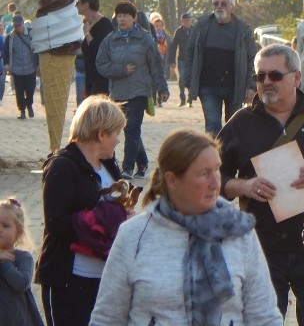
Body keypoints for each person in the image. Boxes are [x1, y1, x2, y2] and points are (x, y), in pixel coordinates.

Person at [89, 129, 283, 326]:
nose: (215, 183)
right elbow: (107, 318)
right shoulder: (134, 235)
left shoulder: (240, 232)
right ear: (172, 180)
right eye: (203, 174)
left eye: (216, 169)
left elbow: (264, 316)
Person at [219, 44, 304, 324]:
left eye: (275, 76)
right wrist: (242, 186)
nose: (266, 82)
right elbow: (211, 179)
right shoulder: (240, 123)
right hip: (262, 247)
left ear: (297, 78)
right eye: (260, 76)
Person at [35, 96, 126, 326]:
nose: (118, 140)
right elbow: (56, 223)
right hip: (69, 278)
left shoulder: (108, 164)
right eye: (115, 133)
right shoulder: (61, 166)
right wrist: (103, 221)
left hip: (104, 277)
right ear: (100, 134)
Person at [96, 1, 169, 179]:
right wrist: (120, 70)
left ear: (134, 17)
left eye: (126, 16)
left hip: (139, 91)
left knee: (132, 128)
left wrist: (162, 88)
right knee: (125, 128)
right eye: (119, 16)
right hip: (117, 92)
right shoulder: (110, 39)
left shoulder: (145, 38)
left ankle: (127, 167)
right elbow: (101, 64)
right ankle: (143, 162)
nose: (122, 19)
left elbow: (156, 65)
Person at [185, 0, 256, 135]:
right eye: (215, 3)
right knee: (212, 125)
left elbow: (252, 59)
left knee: (234, 126)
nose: (219, 6)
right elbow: (190, 53)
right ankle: (213, 157)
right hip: (208, 87)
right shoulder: (202, 26)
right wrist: (188, 80)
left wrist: (251, 85)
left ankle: (230, 157)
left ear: (231, 7)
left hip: (235, 87)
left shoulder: (243, 29)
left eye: (223, 3)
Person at [0, 198, 45, 326]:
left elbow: (22, 283)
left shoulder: (23, 258)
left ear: (18, 233)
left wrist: (4, 262)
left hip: (17, 320)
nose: (0, 230)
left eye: (5, 226)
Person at [76, 0, 112, 97]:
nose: (76, 5)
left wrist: (87, 32)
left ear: (86, 5)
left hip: (102, 80)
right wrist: (86, 86)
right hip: (91, 79)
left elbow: (97, 50)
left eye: (78, 3)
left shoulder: (104, 24)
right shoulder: (86, 23)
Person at [3, 14, 38, 119]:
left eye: (18, 25)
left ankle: (29, 105)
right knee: (19, 91)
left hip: (30, 68)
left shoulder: (32, 34)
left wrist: (38, 64)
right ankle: (22, 111)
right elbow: (6, 52)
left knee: (30, 90)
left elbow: (38, 49)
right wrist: (7, 64)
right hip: (17, 69)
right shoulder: (10, 37)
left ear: (23, 24)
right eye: (15, 26)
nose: (17, 28)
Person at [168, 12, 193, 106]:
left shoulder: (194, 30)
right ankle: (182, 98)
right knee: (182, 78)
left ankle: (190, 99)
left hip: (192, 59)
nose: (187, 22)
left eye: (188, 20)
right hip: (182, 59)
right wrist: (172, 61)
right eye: (185, 21)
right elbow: (173, 46)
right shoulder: (178, 31)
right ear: (182, 21)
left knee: (190, 79)